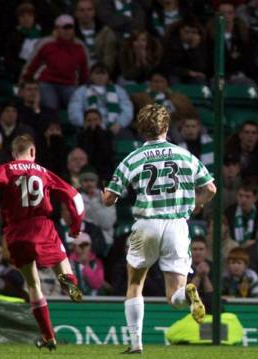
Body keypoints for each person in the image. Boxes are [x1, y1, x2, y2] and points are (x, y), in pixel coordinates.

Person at [102, 104, 217, 354]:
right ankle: (188, 295)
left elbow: (109, 198)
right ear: (166, 127)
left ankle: (136, 344)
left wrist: (105, 193)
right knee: (174, 296)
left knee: (135, 283)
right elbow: (210, 189)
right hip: (177, 225)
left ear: (141, 129)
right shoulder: (185, 155)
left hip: (147, 224)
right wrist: (198, 204)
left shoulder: (133, 158)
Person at [0, 134, 85, 351]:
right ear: (33, 152)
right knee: (62, 265)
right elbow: (74, 197)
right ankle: (68, 281)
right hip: (42, 227)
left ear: (14, 153)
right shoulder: (45, 173)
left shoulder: (5, 169)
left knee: (33, 284)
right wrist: (75, 226)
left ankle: (48, 336)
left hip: (16, 232)